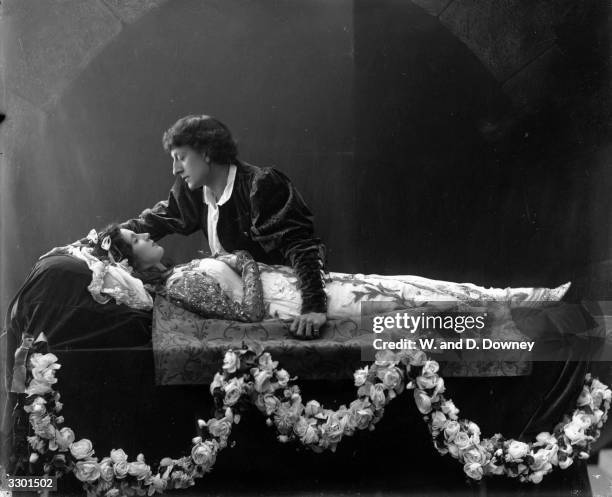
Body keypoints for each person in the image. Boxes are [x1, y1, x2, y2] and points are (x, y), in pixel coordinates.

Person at [88, 224, 571, 327]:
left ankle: (519, 297)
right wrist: (246, 262)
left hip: (312, 286)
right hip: (298, 304)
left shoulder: (182, 270)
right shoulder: (178, 284)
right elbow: (249, 313)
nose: (148, 233)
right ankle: (521, 302)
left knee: (410, 284)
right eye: (137, 238)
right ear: (133, 262)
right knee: (414, 302)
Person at [121, 115, 327, 339]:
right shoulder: (194, 191)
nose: (175, 169)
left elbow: (302, 247)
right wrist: (99, 241)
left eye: (181, 158)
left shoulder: (259, 185)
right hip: (240, 302)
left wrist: (314, 307)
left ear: (207, 153)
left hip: (287, 293)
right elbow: (154, 221)